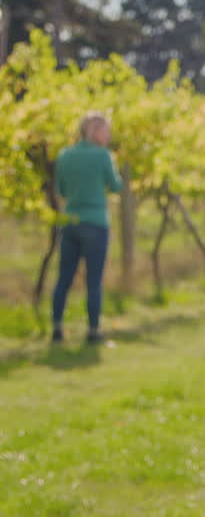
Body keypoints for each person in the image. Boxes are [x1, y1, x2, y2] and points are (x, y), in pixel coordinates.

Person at [52, 111, 123, 345]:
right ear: (95, 130)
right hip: (95, 223)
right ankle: (93, 331)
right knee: (94, 280)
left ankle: (57, 329)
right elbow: (115, 186)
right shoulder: (103, 156)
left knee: (64, 279)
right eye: (106, 129)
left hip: (70, 222)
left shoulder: (64, 155)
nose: (109, 134)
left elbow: (61, 190)